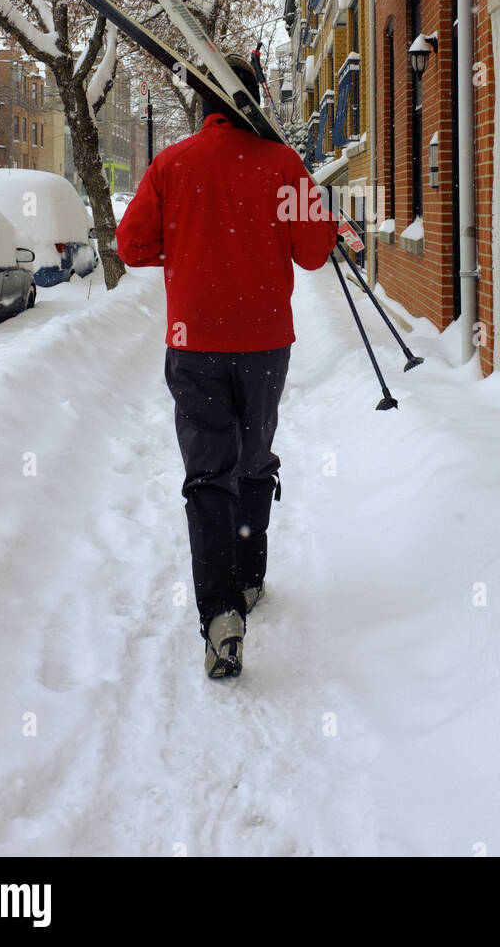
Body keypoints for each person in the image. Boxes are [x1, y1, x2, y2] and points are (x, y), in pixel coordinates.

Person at [116, 56, 338, 678]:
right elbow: (317, 252)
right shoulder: (282, 165)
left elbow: (130, 245)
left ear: (201, 102)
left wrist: (187, 241)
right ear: (255, 98)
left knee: (208, 472)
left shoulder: (171, 164)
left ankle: (219, 615)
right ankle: (246, 579)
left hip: (193, 345)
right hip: (265, 343)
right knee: (254, 455)